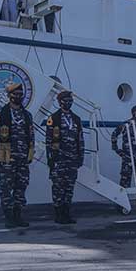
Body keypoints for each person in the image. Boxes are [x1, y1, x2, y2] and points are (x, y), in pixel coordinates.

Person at [0, 82, 34, 228]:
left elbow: (31, 136)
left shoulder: (27, 115)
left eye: (20, 94)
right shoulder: (1, 114)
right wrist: (0, 157)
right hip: (7, 156)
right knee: (6, 187)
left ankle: (18, 215)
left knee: (21, 186)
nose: (18, 97)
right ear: (9, 96)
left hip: (23, 157)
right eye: (15, 94)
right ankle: (9, 217)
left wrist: (30, 153)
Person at [45, 90, 84, 224]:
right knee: (58, 187)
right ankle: (58, 214)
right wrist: (51, 159)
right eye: (65, 101)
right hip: (59, 159)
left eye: (70, 100)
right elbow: (49, 140)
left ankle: (67, 213)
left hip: (72, 159)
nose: (68, 103)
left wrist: (80, 157)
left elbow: (80, 139)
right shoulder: (54, 118)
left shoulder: (76, 119)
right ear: (60, 102)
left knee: (69, 187)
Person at [111, 105, 136, 206]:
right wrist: (116, 149)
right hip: (128, 156)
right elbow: (114, 134)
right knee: (125, 178)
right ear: (133, 112)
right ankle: (122, 200)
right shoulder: (126, 124)